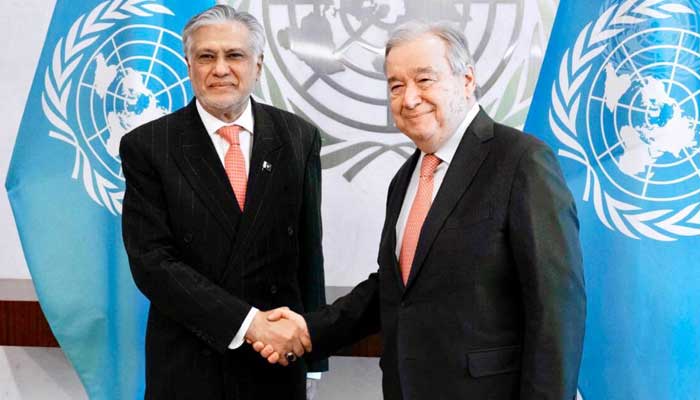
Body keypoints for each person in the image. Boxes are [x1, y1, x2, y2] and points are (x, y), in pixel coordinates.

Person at [254, 20, 586, 399]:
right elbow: (394, 288)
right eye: (396, 85)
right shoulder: (406, 177)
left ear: (467, 80)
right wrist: (309, 331)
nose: (409, 98)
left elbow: (557, 313)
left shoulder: (522, 161)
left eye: (424, 80)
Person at [119, 5, 326, 399]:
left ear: (258, 65)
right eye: (206, 56)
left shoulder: (299, 138)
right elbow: (152, 263)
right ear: (188, 65)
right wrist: (248, 323)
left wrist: (312, 356)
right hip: (188, 360)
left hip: (276, 360)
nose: (220, 69)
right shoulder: (148, 147)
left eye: (234, 55)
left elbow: (307, 253)